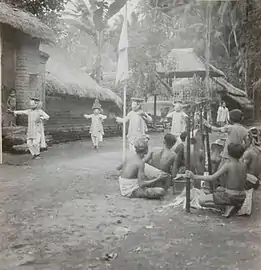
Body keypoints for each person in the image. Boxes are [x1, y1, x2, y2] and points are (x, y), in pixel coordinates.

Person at [186, 143, 247, 218]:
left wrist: (194, 176)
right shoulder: (243, 165)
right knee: (219, 189)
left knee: (201, 201)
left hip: (231, 196)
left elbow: (212, 178)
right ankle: (232, 205)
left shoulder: (228, 165)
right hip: (242, 196)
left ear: (228, 153)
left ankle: (226, 207)